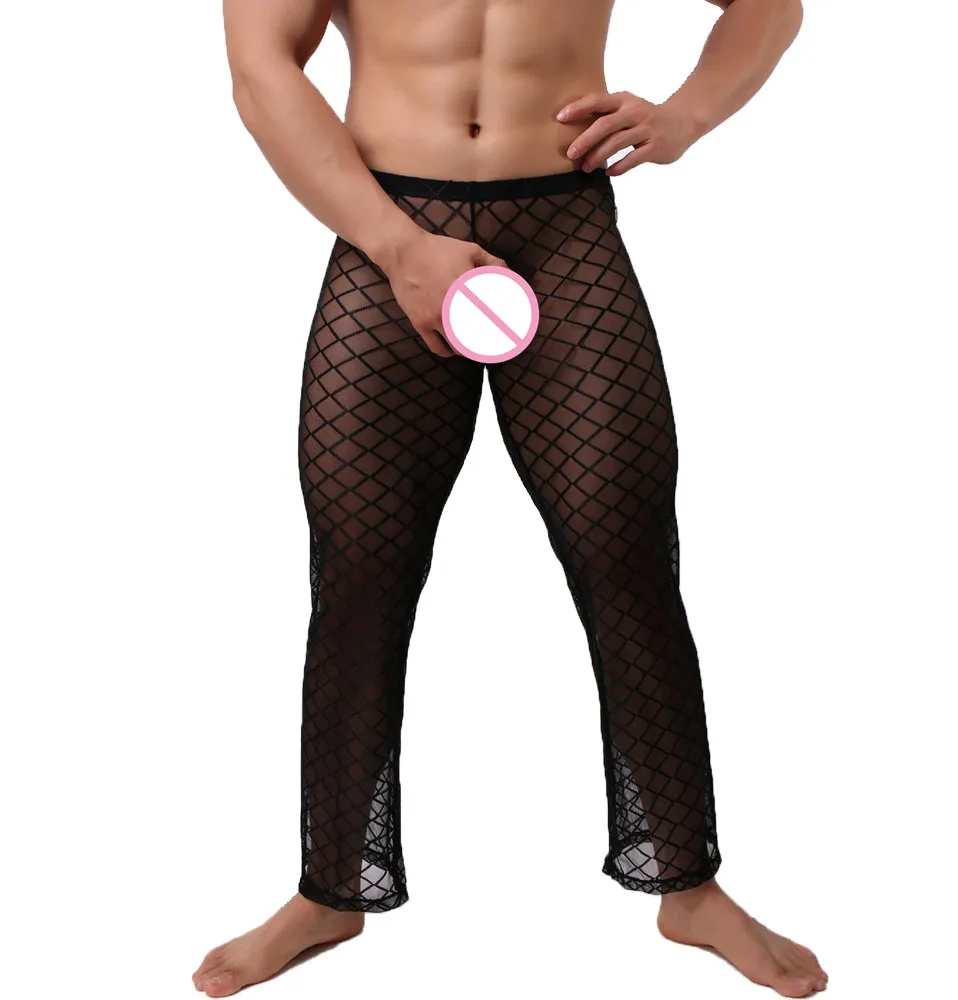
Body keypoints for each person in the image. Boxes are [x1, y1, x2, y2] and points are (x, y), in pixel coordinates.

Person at [194, 0, 827, 996]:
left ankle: (686, 883)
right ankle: (332, 886)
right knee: (358, 573)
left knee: (626, 557)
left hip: (564, 229)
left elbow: (769, 6)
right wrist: (399, 248)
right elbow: (260, 66)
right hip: (387, 228)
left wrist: (687, 114)